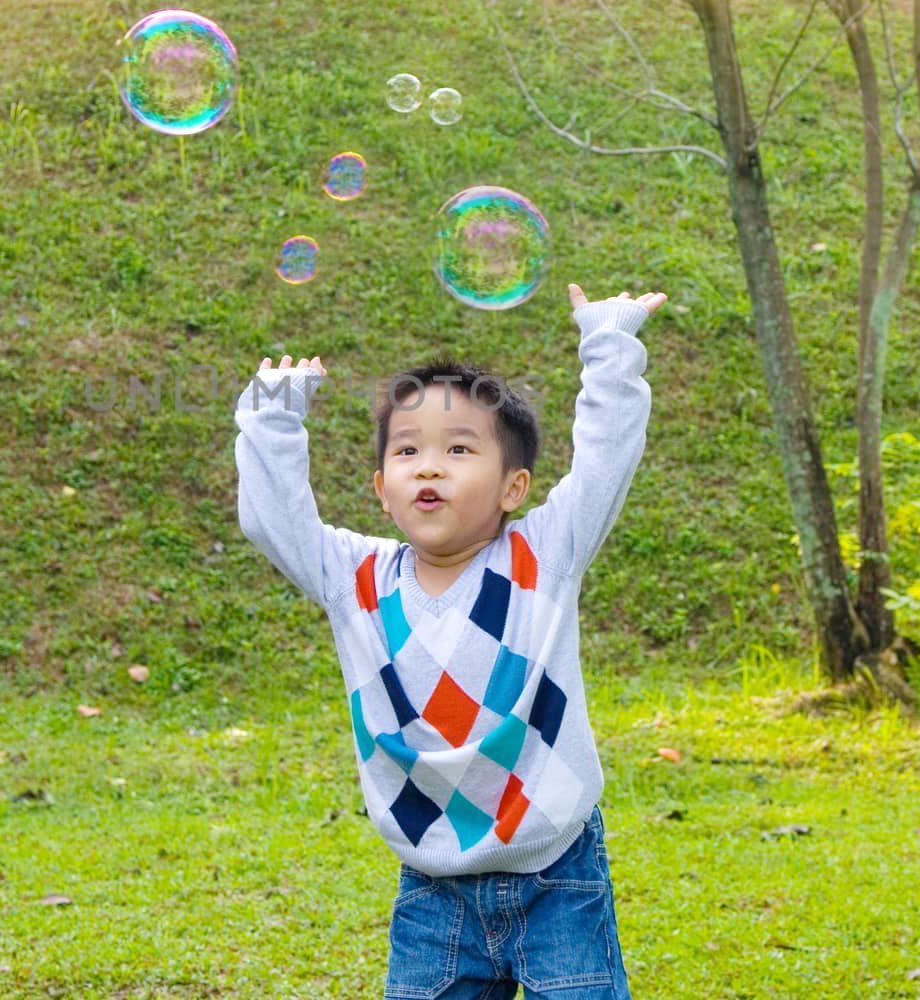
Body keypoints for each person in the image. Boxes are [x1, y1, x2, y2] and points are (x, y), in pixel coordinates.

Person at [233, 283, 665, 999]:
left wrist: (609, 344)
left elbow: (605, 461)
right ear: (381, 488)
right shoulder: (356, 580)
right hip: (432, 886)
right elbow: (273, 520)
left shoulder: (543, 558)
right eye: (408, 452)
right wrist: (274, 417)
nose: (428, 466)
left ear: (513, 487)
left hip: (558, 874)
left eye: (458, 448)